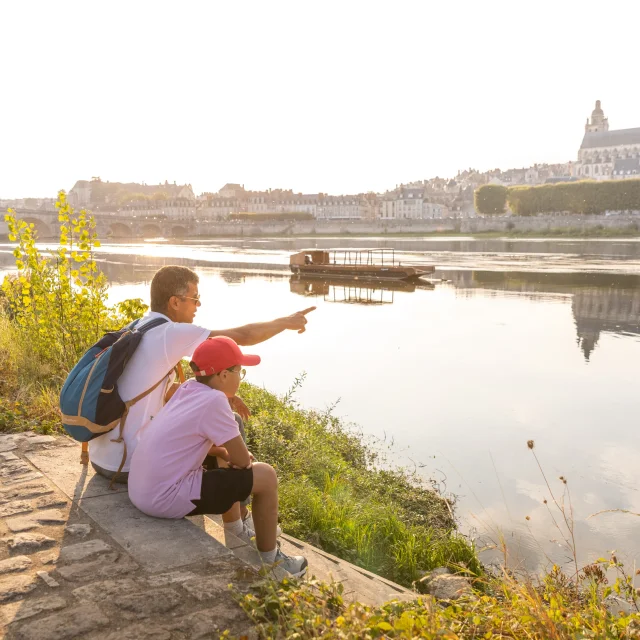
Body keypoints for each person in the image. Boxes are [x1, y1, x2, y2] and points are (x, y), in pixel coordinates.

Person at [88, 265, 315, 484]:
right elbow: (242, 335)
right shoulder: (171, 333)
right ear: (175, 302)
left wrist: (224, 397)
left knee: (215, 417)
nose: (198, 305)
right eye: (194, 298)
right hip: (127, 464)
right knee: (230, 421)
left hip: (102, 458)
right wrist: (285, 322)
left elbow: (159, 391)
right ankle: (238, 510)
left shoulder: (140, 326)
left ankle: (229, 506)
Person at [128, 336, 308, 577]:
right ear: (223, 375)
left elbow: (190, 441)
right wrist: (237, 457)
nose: (240, 379)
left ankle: (235, 528)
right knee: (266, 476)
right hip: (163, 497)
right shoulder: (214, 401)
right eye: (239, 372)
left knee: (223, 449)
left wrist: (224, 452)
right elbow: (244, 462)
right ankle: (273, 563)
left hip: (142, 489)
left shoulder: (188, 389)